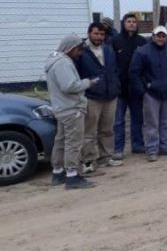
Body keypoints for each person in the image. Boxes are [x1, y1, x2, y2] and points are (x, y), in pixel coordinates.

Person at [45, 34, 99, 189]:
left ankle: (58, 171)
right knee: (73, 143)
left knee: (61, 140)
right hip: (71, 109)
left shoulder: (53, 60)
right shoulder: (62, 63)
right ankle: (72, 175)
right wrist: (88, 83)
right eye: (78, 49)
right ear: (71, 48)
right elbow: (69, 86)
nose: (79, 53)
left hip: (61, 108)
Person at [130, 26, 167, 162]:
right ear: (153, 36)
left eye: (163, 36)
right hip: (151, 93)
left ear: (166, 37)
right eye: (158, 36)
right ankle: (152, 149)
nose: (160, 38)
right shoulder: (142, 52)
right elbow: (134, 72)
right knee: (151, 123)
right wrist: (142, 90)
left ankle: (166, 146)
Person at [76, 22, 120, 173]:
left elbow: (114, 70)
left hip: (110, 96)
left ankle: (106, 157)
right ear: (89, 33)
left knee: (107, 129)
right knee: (89, 131)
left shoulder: (108, 49)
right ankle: (87, 160)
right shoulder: (81, 51)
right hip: (91, 97)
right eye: (96, 34)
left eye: (102, 34)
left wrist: (115, 86)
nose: (99, 37)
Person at [111, 12, 146, 158]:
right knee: (119, 121)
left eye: (134, 21)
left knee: (137, 118)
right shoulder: (115, 40)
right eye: (128, 21)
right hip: (120, 88)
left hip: (136, 88)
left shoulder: (142, 41)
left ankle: (137, 145)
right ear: (123, 23)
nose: (131, 24)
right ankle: (118, 148)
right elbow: (111, 64)